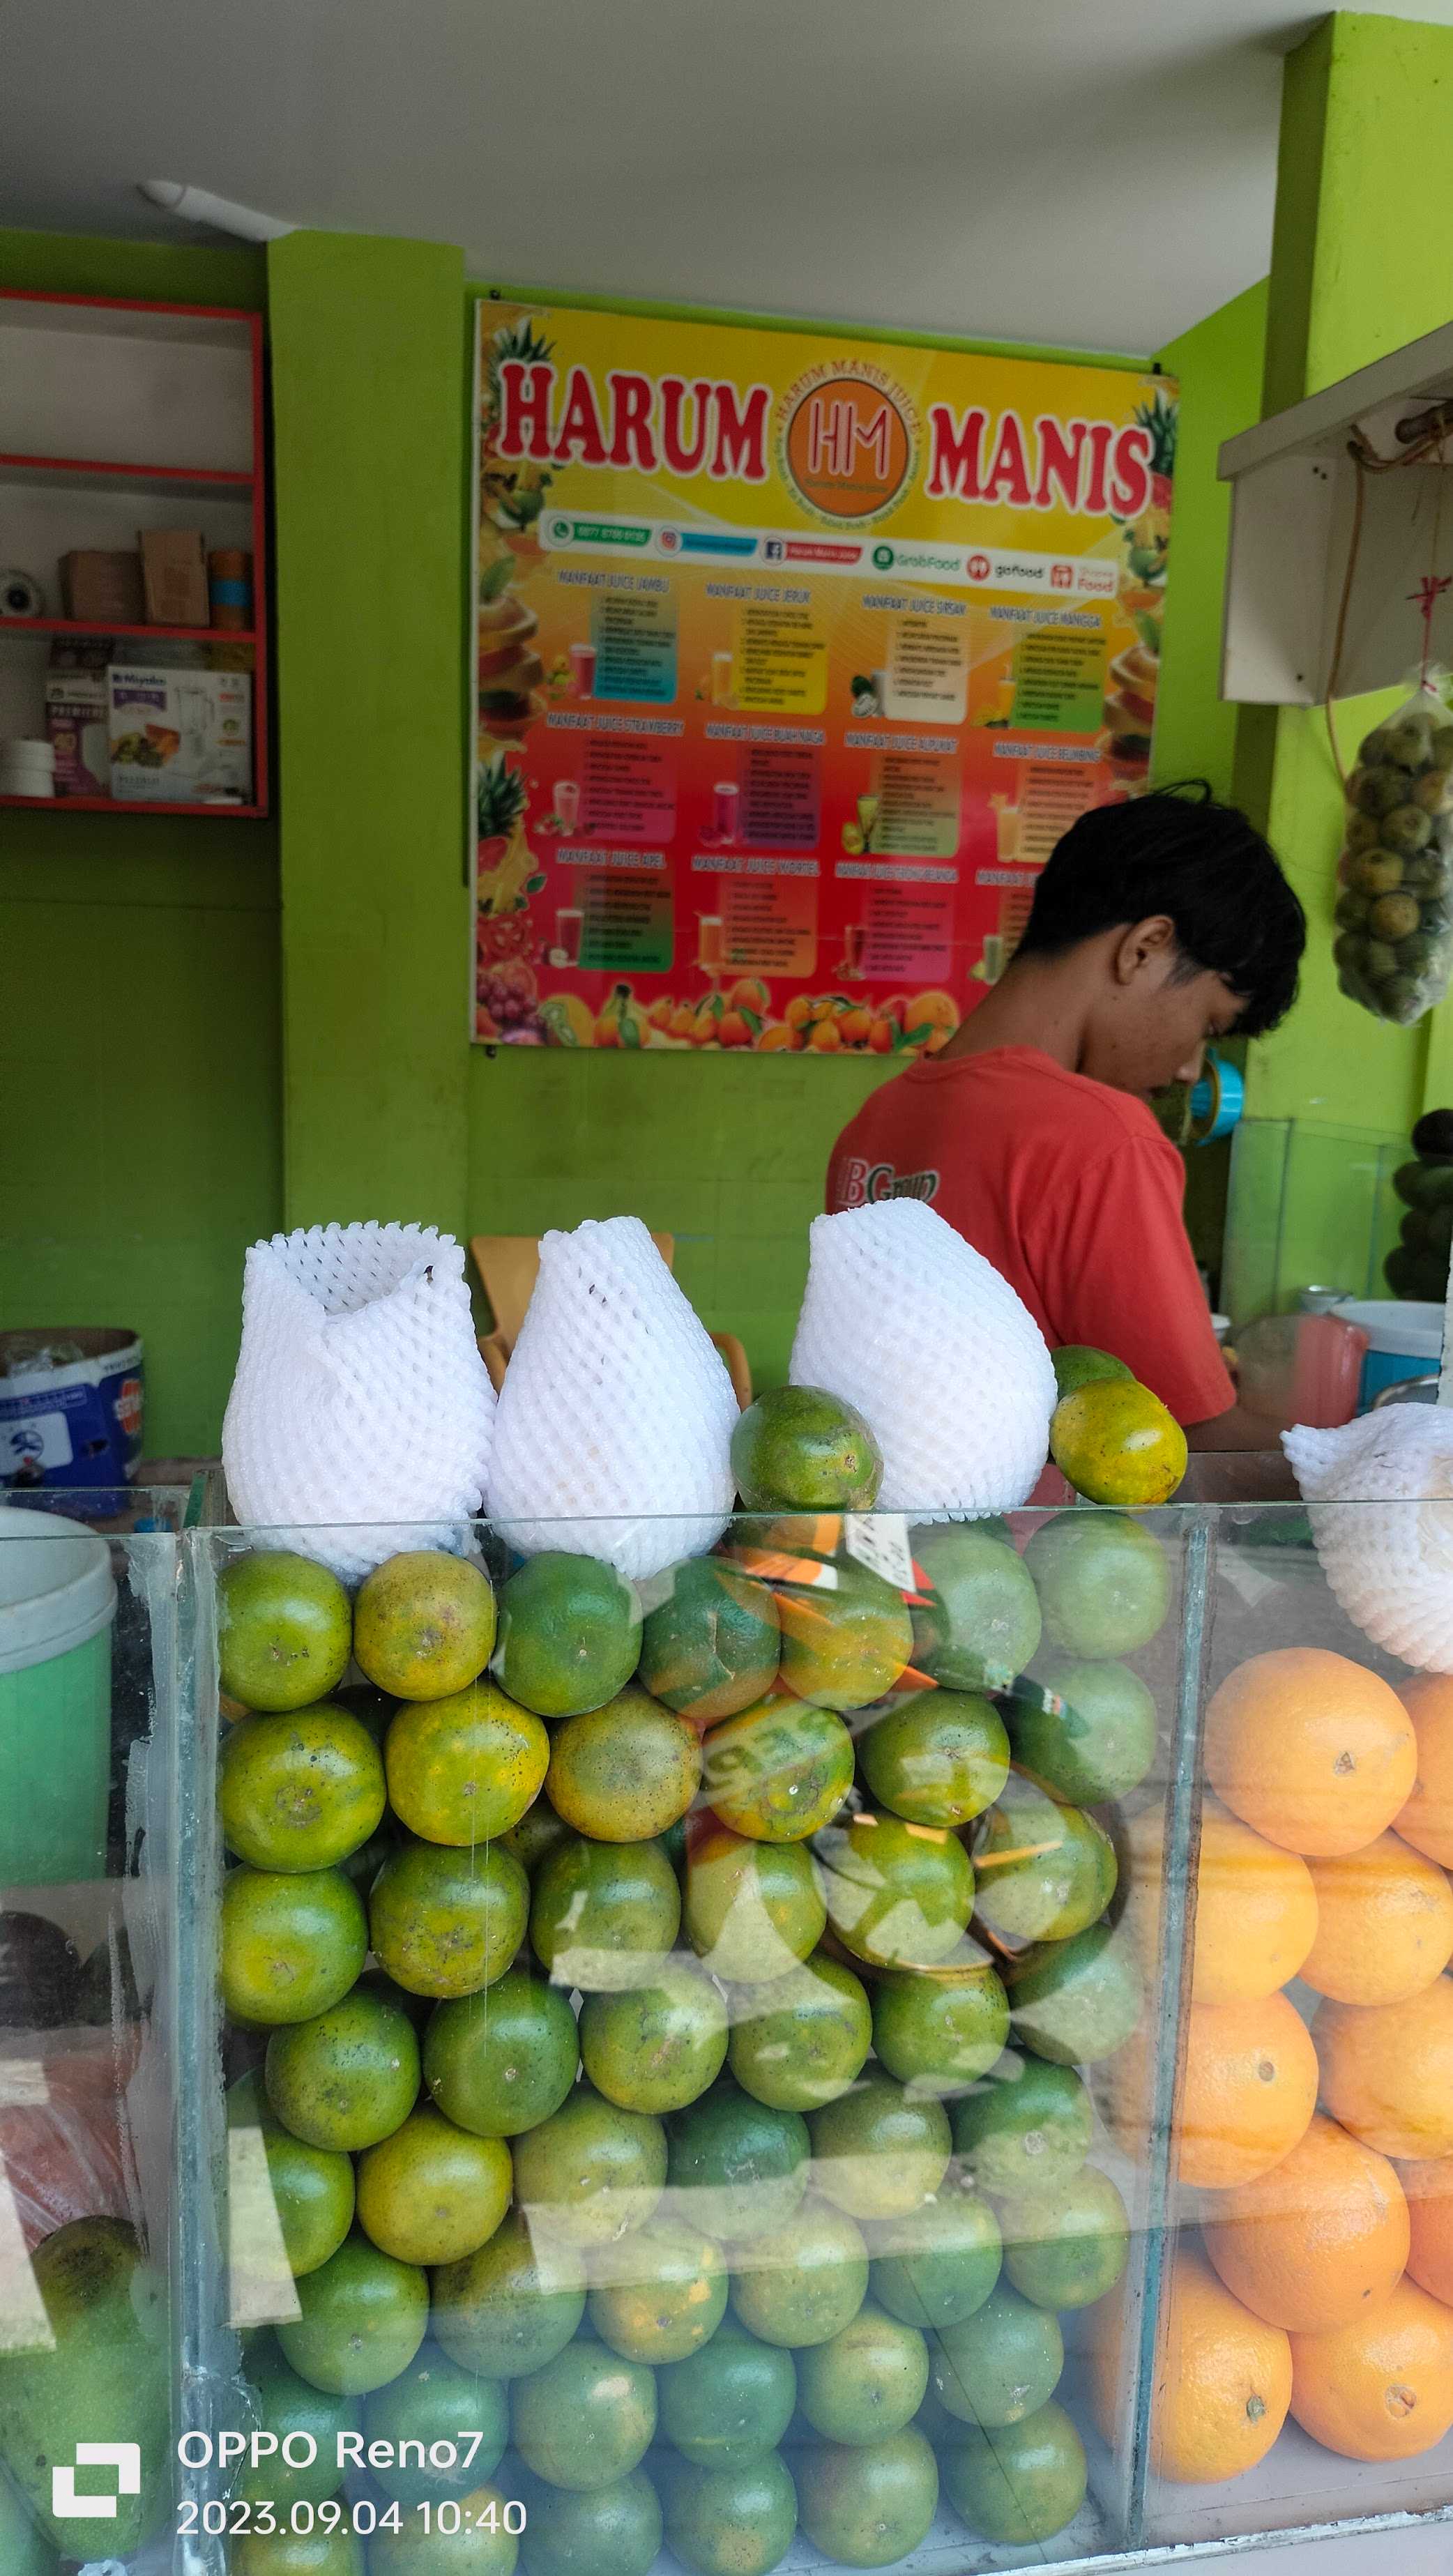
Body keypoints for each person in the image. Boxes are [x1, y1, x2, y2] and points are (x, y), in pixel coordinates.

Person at [826, 783, 1306, 1446]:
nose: (1191, 1068)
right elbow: (1192, 1440)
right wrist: (1357, 1454)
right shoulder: (1104, 1139)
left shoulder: (875, 1120)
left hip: (888, 1538)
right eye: (1209, 1022)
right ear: (1145, 946)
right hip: (1034, 1544)